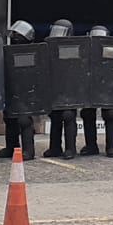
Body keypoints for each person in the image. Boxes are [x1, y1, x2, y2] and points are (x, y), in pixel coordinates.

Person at [0, 20, 40, 160]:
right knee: (10, 118)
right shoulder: (8, 51)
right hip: (11, 89)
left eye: (18, 35)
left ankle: (28, 150)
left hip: (27, 91)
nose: (15, 38)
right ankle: (12, 147)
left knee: (24, 120)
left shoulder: (34, 52)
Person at [79, 25, 113, 158]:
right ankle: (91, 146)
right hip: (90, 87)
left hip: (107, 87)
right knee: (87, 113)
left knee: (110, 114)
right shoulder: (86, 51)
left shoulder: (111, 51)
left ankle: (111, 147)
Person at [43, 19, 79, 159]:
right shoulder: (49, 47)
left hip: (70, 87)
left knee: (68, 115)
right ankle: (55, 147)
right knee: (55, 116)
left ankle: (71, 148)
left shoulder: (74, 48)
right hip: (55, 87)